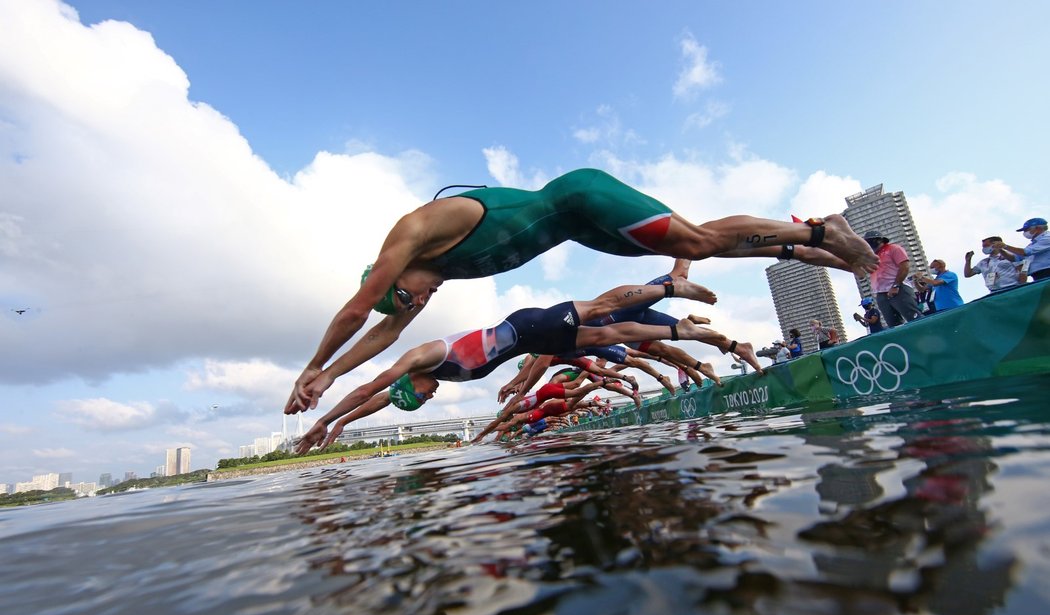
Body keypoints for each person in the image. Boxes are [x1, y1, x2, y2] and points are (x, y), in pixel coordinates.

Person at [285, 168, 880, 414]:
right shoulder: (436, 279)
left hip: (581, 197)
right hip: (583, 231)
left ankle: (824, 229)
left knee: (693, 242)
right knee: (688, 258)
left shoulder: (415, 232)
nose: (421, 302)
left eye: (409, 296)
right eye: (414, 304)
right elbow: (384, 331)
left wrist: (315, 363)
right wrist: (330, 378)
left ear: (390, 276)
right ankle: (807, 249)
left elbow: (363, 311)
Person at [295, 279, 763, 453]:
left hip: (526, 326)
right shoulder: (430, 376)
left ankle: (668, 287)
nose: (431, 396)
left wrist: (321, 415)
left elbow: (370, 388)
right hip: (536, 344)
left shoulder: (421, 358)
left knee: (602, 312)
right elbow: (374, 402)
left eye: (421, 398)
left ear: (411, 385)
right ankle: (698, 335)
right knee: (615, 337)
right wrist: (336, 427)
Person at [864, 231, 921, 327]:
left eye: (871, 241)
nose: (869, 244)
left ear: (879, 240)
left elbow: (904, 267)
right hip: (881, 293)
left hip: (898, 289)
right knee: (893, 324)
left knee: (914, 318)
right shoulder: (873, 257)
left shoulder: (893, 248)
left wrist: (896, 285)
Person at [1002, 217, 1050, 282]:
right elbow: (1015, 258)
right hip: (1038, 275)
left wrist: (1005, 246)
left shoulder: (1047, 238)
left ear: (1038, 228)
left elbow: (1025, 252)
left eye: (1027, 229)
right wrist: (1000, 250)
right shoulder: (1032, 244)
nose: (1025, 232)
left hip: (1047, 272)